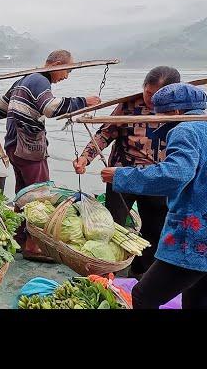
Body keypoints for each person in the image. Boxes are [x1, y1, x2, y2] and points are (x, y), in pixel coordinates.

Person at [101, 83, 207, 308]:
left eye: (161, 114)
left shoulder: (186, 129)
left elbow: (175, 174)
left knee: (143, 296)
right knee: (197, 298)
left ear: (176, 112)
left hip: (193, 237)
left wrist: (121, 176)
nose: (157, 119)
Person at [0, 49, 101, 260]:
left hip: (13, 145)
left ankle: (20, 236)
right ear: (56, 64)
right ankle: (33, 245)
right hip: (28, 146)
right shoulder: (40, 80)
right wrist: (84, 102)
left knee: (24, 192)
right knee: (40, 195)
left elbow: (0, 107)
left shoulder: (25, 79)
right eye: (66, 71)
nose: (66, 76)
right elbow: (50, 108)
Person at [73, 66, 180, 277]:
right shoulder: (129, 105)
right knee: (111, 227)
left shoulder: (178, 111)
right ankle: (106, 273)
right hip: (121, 176)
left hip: (157, 180)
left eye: (157, 96)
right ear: (143, 87)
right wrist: (85, 157)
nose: (151, 100)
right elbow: (105, 133)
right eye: (148, 93)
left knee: (154, 232)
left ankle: (141, 277)